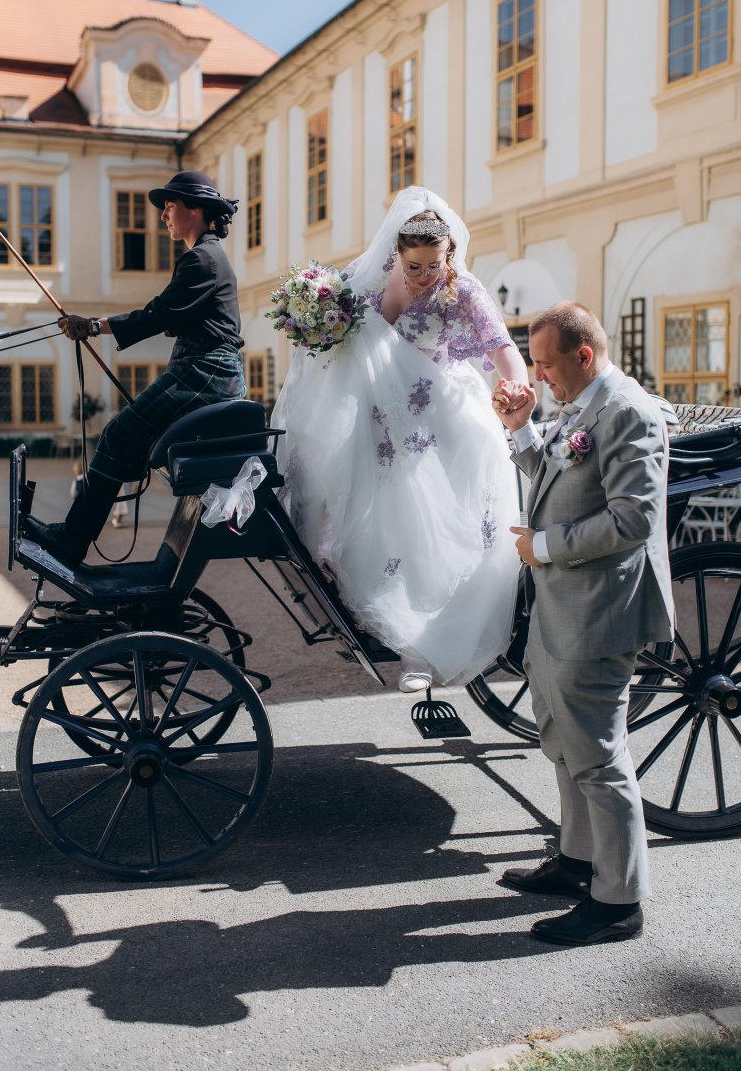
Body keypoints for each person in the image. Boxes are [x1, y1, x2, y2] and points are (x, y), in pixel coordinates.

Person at [273, 185, 530, 692]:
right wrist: (316, 321)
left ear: (448, 254)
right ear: (397, 253)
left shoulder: (463, 289)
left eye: (435, 264)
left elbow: (503, 350)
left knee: (427, 525)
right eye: (415, 266)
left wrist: (517, 385)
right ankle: (369, 611)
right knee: (364, 512)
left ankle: (421, 649)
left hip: (438, 414)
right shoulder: (368, 279)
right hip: (379, 420)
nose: (425, 275)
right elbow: (339, 344)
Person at [492, 302, 674, 947]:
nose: (538, 377)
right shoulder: (579, 405)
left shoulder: (627, 412)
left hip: (598, 609)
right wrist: (521, 428)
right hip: (560, 606)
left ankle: (619, 901)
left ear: (584, 355)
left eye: (545, 364)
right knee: (564, 742)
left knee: (597, 755)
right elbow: (554, 480)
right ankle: (577, 860)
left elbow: (633, 519)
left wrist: (543, 547)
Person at [26, 170, 245, 567]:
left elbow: (157, 314)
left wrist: (93, 326)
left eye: (170, 206)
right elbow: (166, 316)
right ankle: (74, 535)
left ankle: (72, 540)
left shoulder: (203, 259)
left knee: (117, 434)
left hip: (207, 373)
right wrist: (94, 326)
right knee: (123, 438)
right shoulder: (206, 256)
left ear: (196, 210)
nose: (163, 215)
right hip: (203, 371)